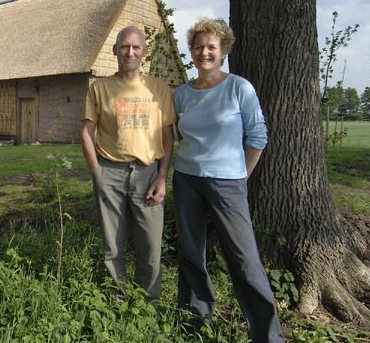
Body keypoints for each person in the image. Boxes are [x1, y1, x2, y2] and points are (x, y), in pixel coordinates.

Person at [172, 18, 284, 342]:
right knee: (191, 253)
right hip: (186, 180)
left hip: (228, 184)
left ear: (222, 52)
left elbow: (258, 136)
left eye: (211, 47)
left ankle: (267, 335)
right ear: (191, 52)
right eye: (198, 46)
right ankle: (194, 323)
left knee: (244, 259)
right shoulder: (181, 94)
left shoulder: (239, 87)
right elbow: (178, 137)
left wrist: (242, 175)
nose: (204, 52)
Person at [81, 25, 175, 301]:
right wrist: (96, 172)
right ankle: (117, 302)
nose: (130, 52)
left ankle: (149, 304)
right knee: (112, 245)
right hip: (110, 170)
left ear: (145, 51)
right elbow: (87, 132)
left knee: (150, 245)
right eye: (124, 46)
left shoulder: (158, 89)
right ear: (115, 51)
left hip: (148, 174)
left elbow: (168, 138)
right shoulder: (100, 88)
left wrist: (162, 177)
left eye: (136, 47)